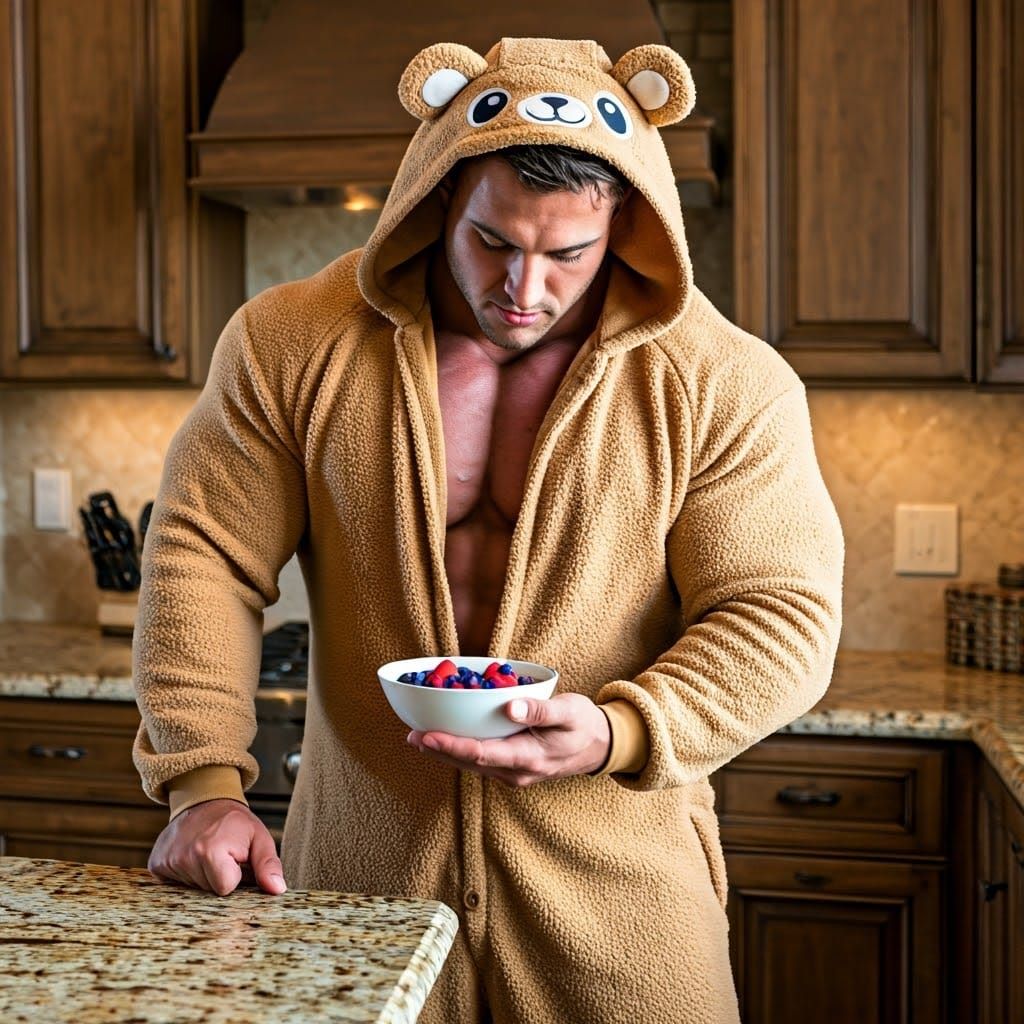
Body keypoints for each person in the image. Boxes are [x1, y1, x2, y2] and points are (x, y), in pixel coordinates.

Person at [134, 37, 844, 1023]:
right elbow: (202, 555)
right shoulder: (290, 341)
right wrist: (202, 782)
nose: (524, 288)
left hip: (622, 905)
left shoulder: (727, 382)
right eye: (493, 241)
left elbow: (781, 612)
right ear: (437, 199)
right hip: (361, 887)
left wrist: (623, 728)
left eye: (567, 254)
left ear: (626, 224)